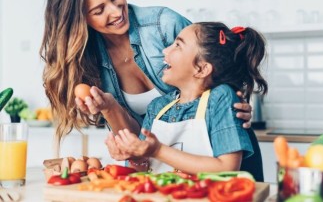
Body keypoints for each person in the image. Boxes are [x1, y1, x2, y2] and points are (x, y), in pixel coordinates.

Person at [39, 0, 252, 144]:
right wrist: (109, 107)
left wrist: (237, 101)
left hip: (222, 150)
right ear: (79, 20)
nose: (115, 11)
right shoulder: (87, 62)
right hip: (168, 169)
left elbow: (218, 66)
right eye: (99, 10)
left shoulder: (164, 25)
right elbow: (138, 142)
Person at [105, 22, 268, 174]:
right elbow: (144, 168)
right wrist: (134, 156)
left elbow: (227, 167)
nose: (165, 51)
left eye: (178, 45)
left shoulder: (220, 98)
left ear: (202, 69)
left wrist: (158, 150)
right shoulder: (158, 107)